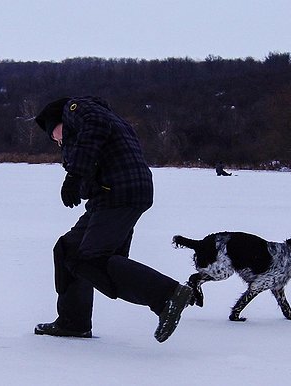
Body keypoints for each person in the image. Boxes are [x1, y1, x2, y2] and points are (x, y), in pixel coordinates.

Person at [33, 96, 193, 343]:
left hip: (119, 193)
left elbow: (95, 127)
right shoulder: (101, 120)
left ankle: (166, 296)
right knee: (68, 250)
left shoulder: (77, 109)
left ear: (57, 119)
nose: (56, 140)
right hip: (112, 194)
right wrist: (82, 182)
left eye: (52, 133)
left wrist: (74, 176)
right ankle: (73, 322)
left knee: (92, 259)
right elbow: (101, 150)